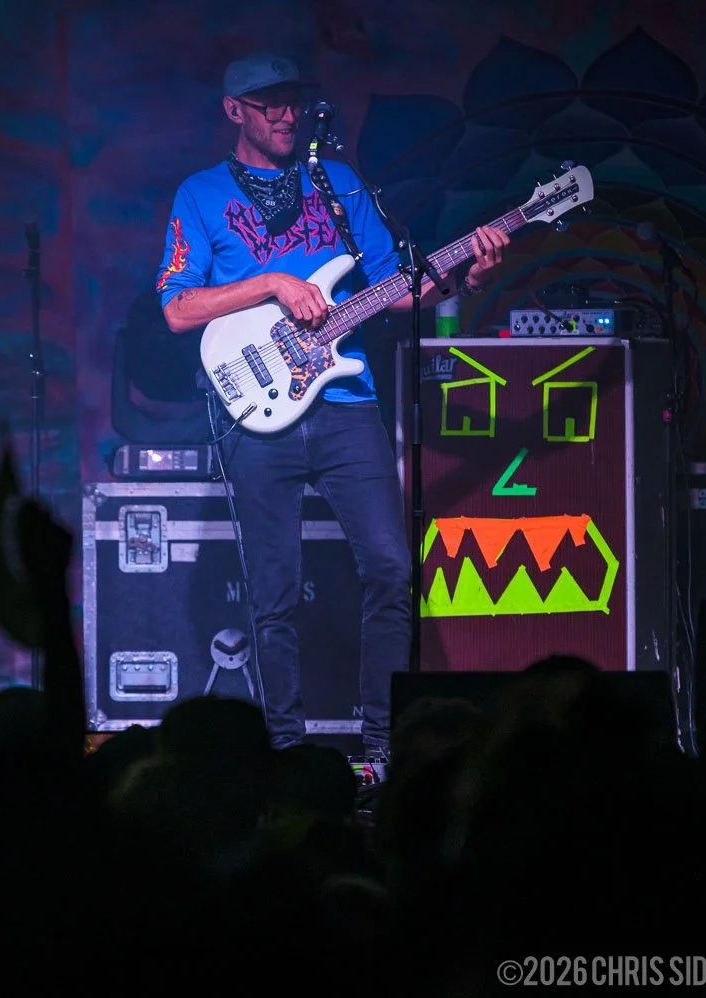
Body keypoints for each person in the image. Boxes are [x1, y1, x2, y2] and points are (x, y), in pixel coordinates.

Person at [155, 53, 510, 756]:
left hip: (346, 398)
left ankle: (381, 748)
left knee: (390, 568)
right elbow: (177, 307)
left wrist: (463, 274)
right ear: (235, 111)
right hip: (255, 408)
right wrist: (273, 284)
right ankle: (288, 752)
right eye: (267, 104)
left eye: (291, 101)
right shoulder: (199, 195)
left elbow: (397, 290)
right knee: (274, 592)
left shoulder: (337, 183)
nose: (285, 114)